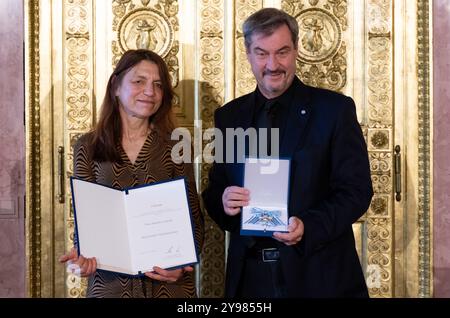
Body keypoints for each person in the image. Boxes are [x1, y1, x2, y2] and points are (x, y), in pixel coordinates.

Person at [202, 8, 373, 297]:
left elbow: (356, 191)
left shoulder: (334, 110)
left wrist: (308, 226)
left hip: (319, 277)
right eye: (261, 53)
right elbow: (216, 189)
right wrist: (224, 201)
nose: (272, 64)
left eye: (282, 52)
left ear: (295, 50)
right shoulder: (229, 117)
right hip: (250, 281)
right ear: (247, 53)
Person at [59, 49, 204, 298]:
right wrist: (82, 256)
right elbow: (85, 220)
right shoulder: (87, 146)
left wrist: (182, 266)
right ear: (116, 86)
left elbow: (194, 218)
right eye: (139, 81)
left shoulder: (178, 145)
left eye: (158, 85)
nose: (150, 91)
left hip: (169, 287)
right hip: (110, 286)